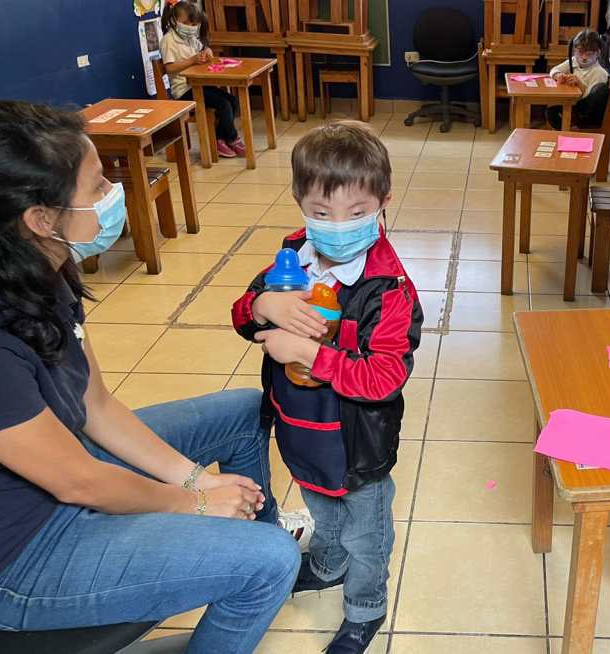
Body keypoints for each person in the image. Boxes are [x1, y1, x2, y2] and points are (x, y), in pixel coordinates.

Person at [0, 101, 317, 651]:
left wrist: (195, 480)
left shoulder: (43, 267)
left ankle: (246, 539)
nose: (112, 193)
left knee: (241, 411)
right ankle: (252, 561)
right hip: (15, 558)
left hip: (61, 474)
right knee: (270, 563)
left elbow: (95, 406)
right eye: (97, 187)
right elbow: (78, 482)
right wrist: (194, 504)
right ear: (39, 218)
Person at [231, 121, 423, 654]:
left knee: (366, 533)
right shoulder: (292, 257)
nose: (337, 226)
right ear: (299, 203)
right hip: (302, 430)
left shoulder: (389, 290)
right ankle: (327, 563)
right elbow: (242, 316)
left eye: (356, 212)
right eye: (321, 212)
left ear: (382, 204)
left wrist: (310, 353)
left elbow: (384, 378)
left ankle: (365, 607)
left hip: (356, 447)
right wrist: (262, 304)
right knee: (319, 504)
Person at [159, 0, 246, 158]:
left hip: (199, 85)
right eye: (186, 23)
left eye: (193, 24)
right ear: (174, 21)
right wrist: (192, 60)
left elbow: (203, 49)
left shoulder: (190, 38)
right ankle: (232, 138)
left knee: (232, 101)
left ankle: (219, 138)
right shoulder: (168, 40)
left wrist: (208, 52)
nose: (190, 27)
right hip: (184, 91)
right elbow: (169, 67)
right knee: (224, 105)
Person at [547, 29, 610, 129]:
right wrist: (559, 75)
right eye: (580, 52)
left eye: (589, 54)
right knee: (551, 112)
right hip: (575, 105)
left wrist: (579, 84)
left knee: (600, 89)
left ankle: (576, 127)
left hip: (588, 114)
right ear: (574, 51)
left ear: (598, 53)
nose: (584, 57)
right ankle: (570, 129)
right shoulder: (573, 61)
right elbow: (554, 70)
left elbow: (592, 99)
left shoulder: (599, 72)